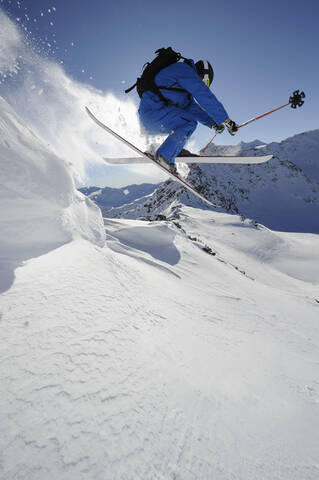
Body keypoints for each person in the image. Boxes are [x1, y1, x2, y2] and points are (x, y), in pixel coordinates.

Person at [138, 58, 238, 173]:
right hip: (153, 113)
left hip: (154, 118)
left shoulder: (183, 93)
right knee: (188, 123)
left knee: (186, 122)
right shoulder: (183, 70)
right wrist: (227, 120)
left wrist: (212, 124)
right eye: (204, 82)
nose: (203, 85)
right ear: (201, 75)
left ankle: (174, 149)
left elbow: (193, 109)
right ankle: (164, 157)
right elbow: (202, 94)